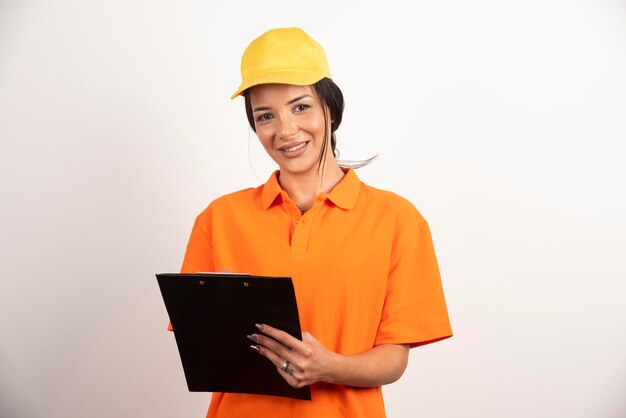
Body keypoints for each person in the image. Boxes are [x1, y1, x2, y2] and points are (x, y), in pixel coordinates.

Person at [179, 27, 452, 418]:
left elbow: (395, 357)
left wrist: (330, 367)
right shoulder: (218, 219)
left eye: (300, 106)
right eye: (266, 116)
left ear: (331, 108)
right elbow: (200, 348)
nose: (286, 130)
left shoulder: (397, 221)